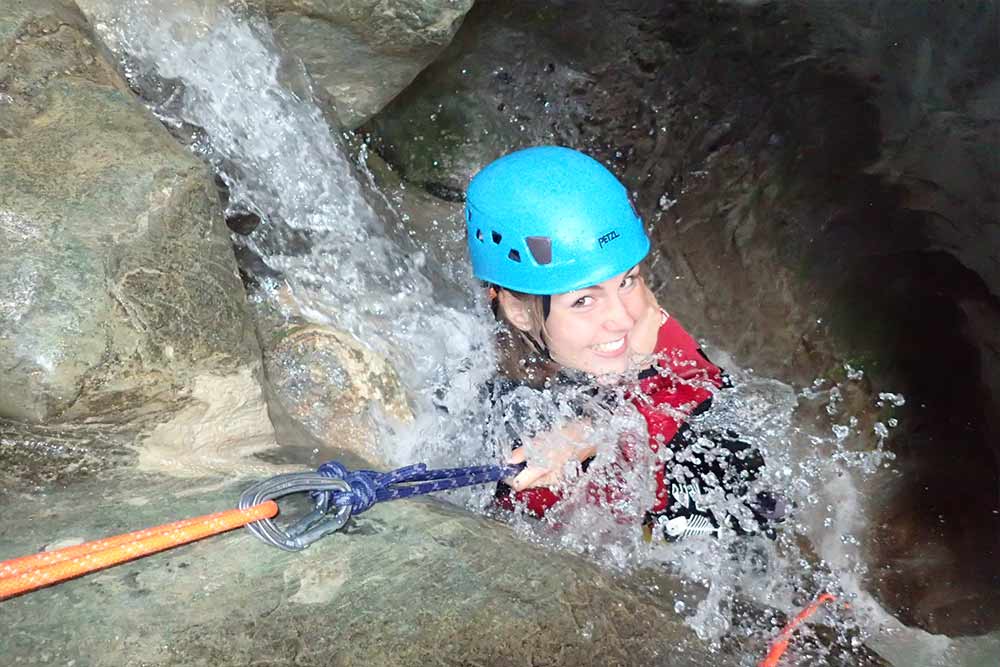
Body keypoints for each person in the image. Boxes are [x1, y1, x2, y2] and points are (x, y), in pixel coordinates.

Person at [466, 146, 783, 541]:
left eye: (628, 280)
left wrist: (592, 430)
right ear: (517, 309)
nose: (623, 318)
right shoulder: (494, 416)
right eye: (583, 299)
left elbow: (725, 427)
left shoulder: (646, 328)